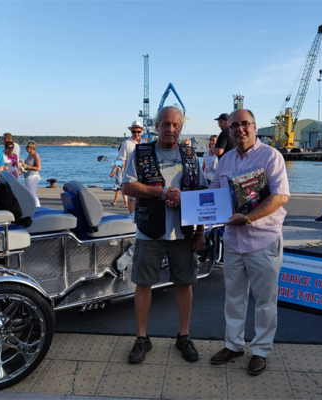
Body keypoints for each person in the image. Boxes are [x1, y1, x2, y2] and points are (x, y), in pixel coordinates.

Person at [122, 106, 208, 364]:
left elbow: (203, 194)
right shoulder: (141, 152)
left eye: (176, 125)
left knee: (185, 284)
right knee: (143, 284)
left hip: (183, 234)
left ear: (182, 127)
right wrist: (160, 193)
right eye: (166, 124)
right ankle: (141, 338)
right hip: (150, 231)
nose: (171, 129)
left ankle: (184, 336)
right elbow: (127, 185)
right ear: (156, 126)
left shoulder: (191, 155)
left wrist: (201, 231)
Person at [208, 109, 290, 376]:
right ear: (228, 130)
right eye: (234, 126)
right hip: (233, 241)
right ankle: (233, 345)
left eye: (245, 124)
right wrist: (190, 204)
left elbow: (280, 196)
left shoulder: (271, 156)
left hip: (263, 240)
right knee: (233, 297)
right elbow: (215, 194)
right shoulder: (226, 160)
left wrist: (248, 217)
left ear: (254, 127)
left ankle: (261, 350)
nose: (239, 129)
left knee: (265, 301)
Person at [118, 121, 143, 214]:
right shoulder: (126, 143)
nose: (136, 134)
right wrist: (120, 173)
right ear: (131, 132)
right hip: (131, 174)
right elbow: (121, 159)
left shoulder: (145, 143)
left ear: (141, 132)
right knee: (131, 198)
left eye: (138, 131)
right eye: (134, 132)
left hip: (143, 174)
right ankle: (132, 217)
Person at [21, 140, 41, 207]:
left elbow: (38, 168)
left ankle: (37, 207)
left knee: (32, 193)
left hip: (33, 176)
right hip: (27, 175)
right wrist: (23, 162)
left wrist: (28, 166)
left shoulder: (36, 155)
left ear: (31, 148)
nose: (26, 149)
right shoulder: (29, 155)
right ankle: (32, 206)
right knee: (29, 193)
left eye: (27, 147)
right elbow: (28, 164)